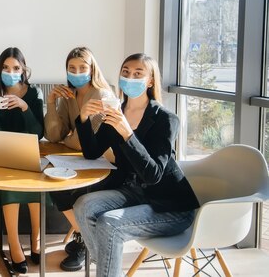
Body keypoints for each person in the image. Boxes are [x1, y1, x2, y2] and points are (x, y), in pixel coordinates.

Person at [73, 53, 199, 277]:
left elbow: (153, 175)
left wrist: (128, 134)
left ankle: (106, 272)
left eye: (138, 74)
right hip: (131, 192)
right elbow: (92, 153)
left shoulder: (166, 120)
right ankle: (108, 270)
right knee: (83, 205)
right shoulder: (115, 113)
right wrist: (82, 118)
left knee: (109, 224)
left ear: (150, 81)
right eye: (126, 73)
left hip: (171, 206)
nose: (130, 77)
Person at [44, 46, 116, 271]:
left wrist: (68, 140)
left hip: (106, 163)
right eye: (71, 68)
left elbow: (80, 143)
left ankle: (85, 241)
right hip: (83, 159)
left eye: (82, 68)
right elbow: (54, 135)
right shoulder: (69, 95)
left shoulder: (101, 95)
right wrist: (51, 103)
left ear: (92, 69)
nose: (77, 72)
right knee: (51, 179)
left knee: (64, 187)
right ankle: (83, 235)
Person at [0, 47, 45, 275]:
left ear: (23, 69)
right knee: (8, 185)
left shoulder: (34, 94)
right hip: (3, 156)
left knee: (36, 181)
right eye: (5, 68)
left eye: (15, 67)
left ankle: (36, 239)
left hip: (30, 153)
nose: (10, 72)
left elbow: (37, 133)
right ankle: (14, 245)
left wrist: (24, 108)